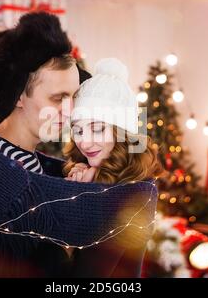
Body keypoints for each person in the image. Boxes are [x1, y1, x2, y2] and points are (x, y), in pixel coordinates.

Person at [0, 12, 159, 278]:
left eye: (73, 96)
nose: (70, 110)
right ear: (17, 96)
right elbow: (130, 200)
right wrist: (95, 193)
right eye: (58, 97)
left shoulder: (36, 163)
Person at [62, 58, 164, 276]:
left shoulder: (131, 193)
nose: (85, 142)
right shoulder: (92, 174)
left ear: (122, 132)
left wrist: (79, 198)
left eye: (97, 129)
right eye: (78, 130)